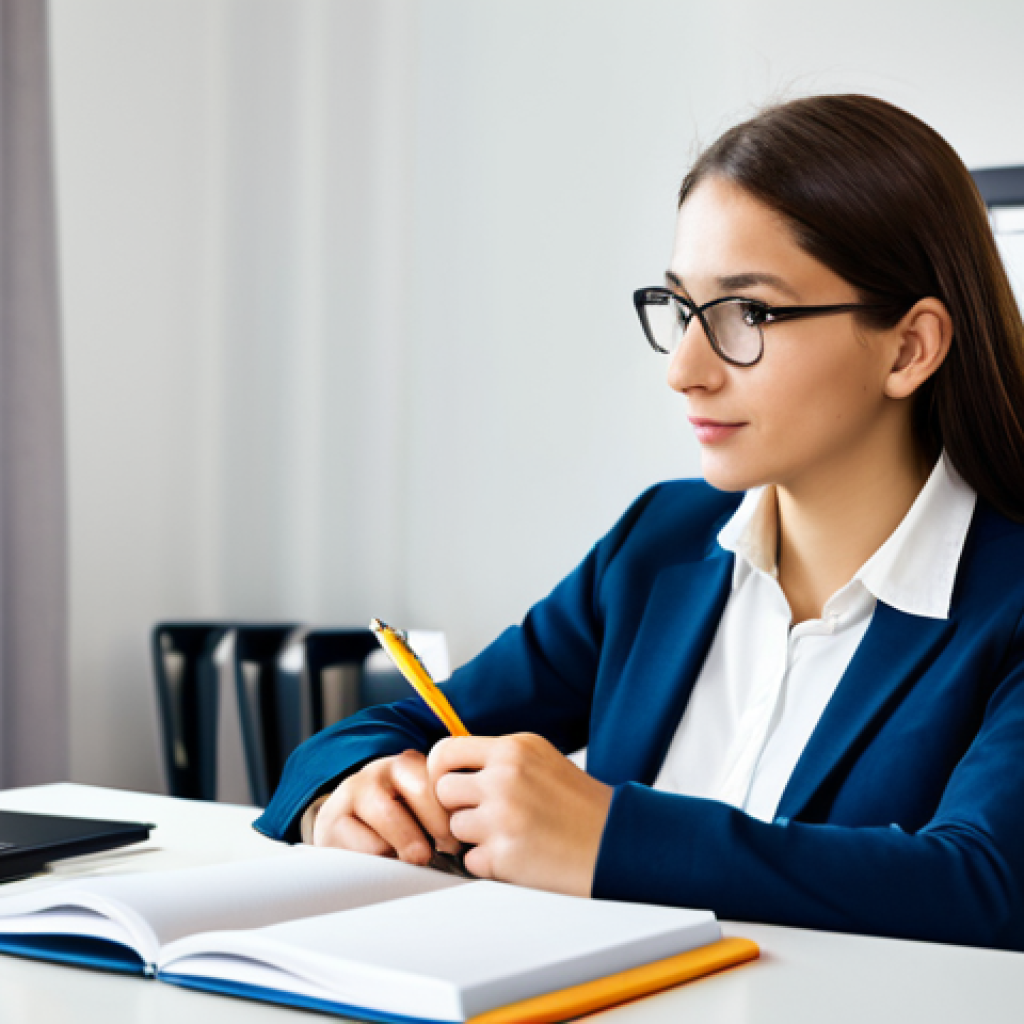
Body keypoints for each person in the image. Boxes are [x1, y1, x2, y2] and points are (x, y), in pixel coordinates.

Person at [255, 94, 1024, 951]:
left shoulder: (1011, 594)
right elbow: (400, 728)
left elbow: (988, 885)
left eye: (748, 315)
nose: (685, 370)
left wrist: (610, 839)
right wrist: (349, 793)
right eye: (682, 309)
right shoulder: (660, 543)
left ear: (910, 347)